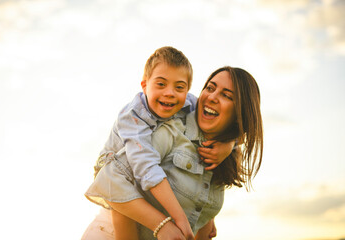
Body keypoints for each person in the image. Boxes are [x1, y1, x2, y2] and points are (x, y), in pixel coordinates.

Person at [83, 66, 263, 240]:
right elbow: (108, 179)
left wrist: (230, 144)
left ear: (240, 112)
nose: (211, 97)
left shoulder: (222, 155)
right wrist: (162, 225)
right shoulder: (171, 129)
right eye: (209, 88)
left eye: (226, 96)